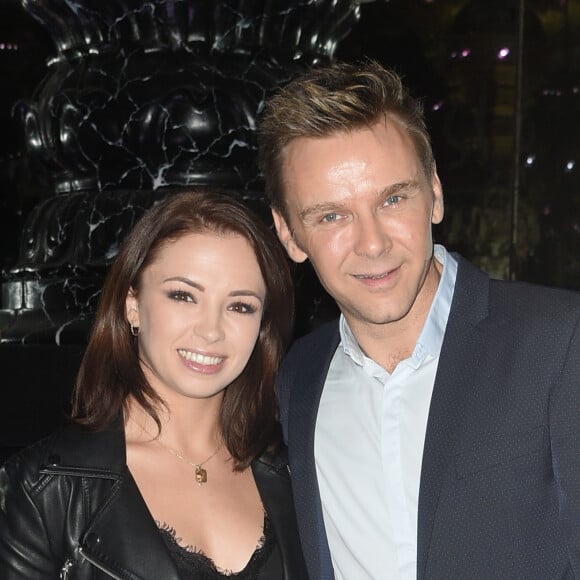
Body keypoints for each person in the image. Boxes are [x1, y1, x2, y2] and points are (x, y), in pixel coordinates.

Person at [256, 59, 580, 580]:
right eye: (332, 215)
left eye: (393, 198)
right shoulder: (297, 377)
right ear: (290, 234)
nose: (373, 243)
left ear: (435, 193)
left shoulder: (561, 343)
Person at [0, 189, 308, 579]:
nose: (211, 330)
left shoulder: (298, 471)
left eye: (239, 305)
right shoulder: (44, 490)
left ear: (262, 326)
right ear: (133, 305)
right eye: (183, 296)